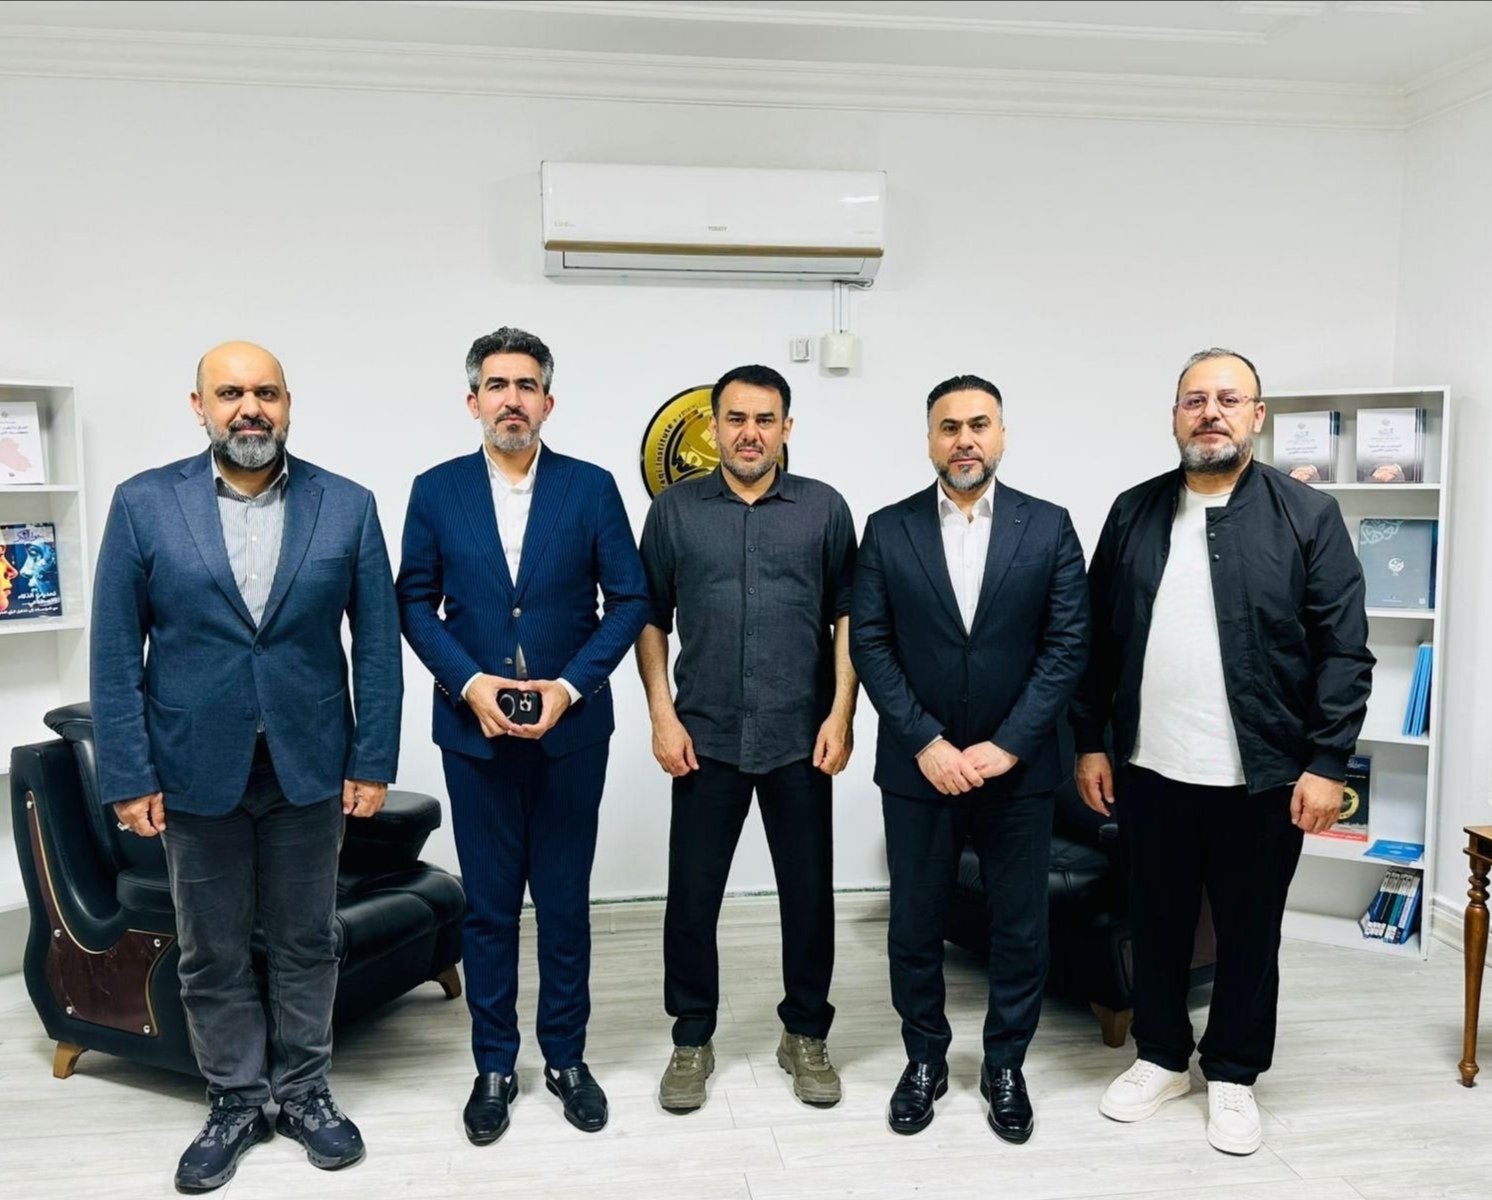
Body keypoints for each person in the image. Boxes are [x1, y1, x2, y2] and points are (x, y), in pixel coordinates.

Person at [91, 341, 403, 1192]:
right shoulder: (144, 504)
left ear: (289, 403)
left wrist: (372, 758)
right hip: (193, 769)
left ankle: (304, 1094)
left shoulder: (348, 505)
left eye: (266, 392)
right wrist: (129, 773)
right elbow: (116, 653)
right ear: (200, 406)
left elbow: (377, 647)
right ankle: (233, 1100)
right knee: (211, 950)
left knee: (307, 941)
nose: (250, 408)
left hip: (310, 766)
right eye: (230, 393)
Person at [1072, 348, 1373, 1156]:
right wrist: (1091, 744)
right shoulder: (1133, 512)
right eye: (1195, 400)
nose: (1211, 413)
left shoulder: (1307, 516)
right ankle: (1162, 1058)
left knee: (1248, 932)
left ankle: (1234, 1072)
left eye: (1229, 399)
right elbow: (1096, 642)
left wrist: (1327, 763)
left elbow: (1345, 652)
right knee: (1157, 922)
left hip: (1263, 776)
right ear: (1174, 416)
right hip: (1150, 769)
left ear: (1257, 416)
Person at [397, 326, 649, 1145]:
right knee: (490, 908)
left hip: (571, 734)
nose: (512, 399)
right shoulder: (436, 490)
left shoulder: (592, 488)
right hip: (473, 734)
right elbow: (413, 602)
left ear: (548, 401)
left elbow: (631, 601)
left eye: (527, 385)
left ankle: (567, 1060)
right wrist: (469, 683)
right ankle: (495, 1067)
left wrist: (569, 688)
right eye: (498, 385)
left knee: (565, 905)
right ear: (473, 400)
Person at [850, 374, 1088, 1142]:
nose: (964, 439)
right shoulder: (887, 530)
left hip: (1019, 771)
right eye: (949, 427)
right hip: (917, 768)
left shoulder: (1048, 527)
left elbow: (1067, 645)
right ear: (930, 440)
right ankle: (924, 1059)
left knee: (1020, 927)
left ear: (1001, 435)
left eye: (979, 424)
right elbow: (870, 644)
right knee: (914, 925)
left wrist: (1008, 745)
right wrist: (925, 740)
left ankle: (1005, 1064)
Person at [636, 364, 857, 1113]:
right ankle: (692, 1038)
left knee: (809, 896)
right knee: (692, 898)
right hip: (705, 736)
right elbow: (648, 616)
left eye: (765, 419)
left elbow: (849, 616)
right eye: (736, 419)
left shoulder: (824, 509)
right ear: (714, 427)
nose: (750, 433)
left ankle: (806, 1033)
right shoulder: (674, 512)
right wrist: (662, 715)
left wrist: (842, 714)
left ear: (786, 428)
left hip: (802, 735)